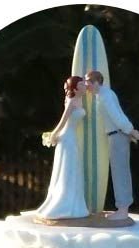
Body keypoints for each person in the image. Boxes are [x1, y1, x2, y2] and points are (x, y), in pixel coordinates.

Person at [21, 76, 89, 219]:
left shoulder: (79, 100)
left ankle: (73, 203)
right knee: (67, 169)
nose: (85, 86)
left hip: (72, 138)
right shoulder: (71, 101)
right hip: (67, 138)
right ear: (75, 88)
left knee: (72, 169)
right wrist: (53, 135)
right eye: (82, 84)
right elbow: (63, 121)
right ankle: (62, 203)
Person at [85, 70, 139, 220]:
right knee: (120, 170)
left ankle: (123, 209)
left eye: (88, 82)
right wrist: (130, 130)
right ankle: (122, 208)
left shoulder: (105, 96)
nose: (87, 86)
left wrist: (130, 130)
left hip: (117, 135)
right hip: (117, 134)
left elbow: (117, 117)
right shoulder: (104, 95)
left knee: (120, 171)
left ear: (96, 82)